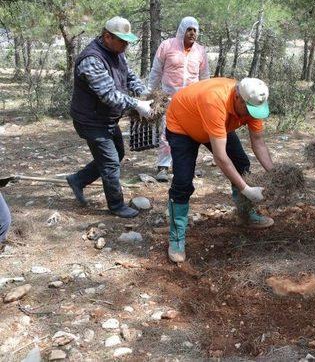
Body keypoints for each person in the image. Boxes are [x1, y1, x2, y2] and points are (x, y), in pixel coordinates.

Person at [164, 77, 275, 263]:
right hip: (182, 124)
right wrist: (246, 189)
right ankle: (176, 239)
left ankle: (245, 214)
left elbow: (258, 143)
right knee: (183, 182)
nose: (251, 114)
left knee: (242, 165)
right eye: (248, 110)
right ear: (238, 97)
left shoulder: (253, 104)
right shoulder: (215, 100)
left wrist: (275, 174)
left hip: (216, 125)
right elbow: (220, 157)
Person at [66, 16, 153, 219]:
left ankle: (78, 180)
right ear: (107, 36)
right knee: (111, 162)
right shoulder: (92, 59)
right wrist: (136, 105)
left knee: (117, 154)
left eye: (127, 41)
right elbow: (108, 95)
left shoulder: (117, 52)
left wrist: (143, 94)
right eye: (122, 41)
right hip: (90, 120)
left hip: (106, 119)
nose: (125, 45)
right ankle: (116, 205)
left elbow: (128, 76)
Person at [147, 16, 210, 182]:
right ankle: (163, 166)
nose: (192, 33)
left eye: (195, 30)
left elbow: (205, 77)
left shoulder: (200, 51)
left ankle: (184, 166)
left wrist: (206, 99)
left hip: (191, 102)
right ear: (182, 30)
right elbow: (156, 71)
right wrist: (148, 93)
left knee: (190, 134)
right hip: (170, 98)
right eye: (189, 29)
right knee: (167, 132)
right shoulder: (167, 46)